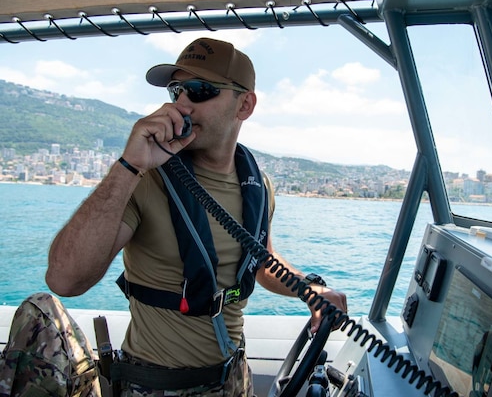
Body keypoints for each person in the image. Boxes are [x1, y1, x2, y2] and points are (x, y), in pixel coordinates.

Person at [36, 37, 347, 396]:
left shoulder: (257, 185)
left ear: (244, 105)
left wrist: (307, 289)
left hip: (233, 378)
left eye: (199, 90)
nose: (182, 103)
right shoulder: (145, 179)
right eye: (176, 90)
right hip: (158, 384)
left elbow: (262, 261)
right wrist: (128, 165)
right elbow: (64, 281)